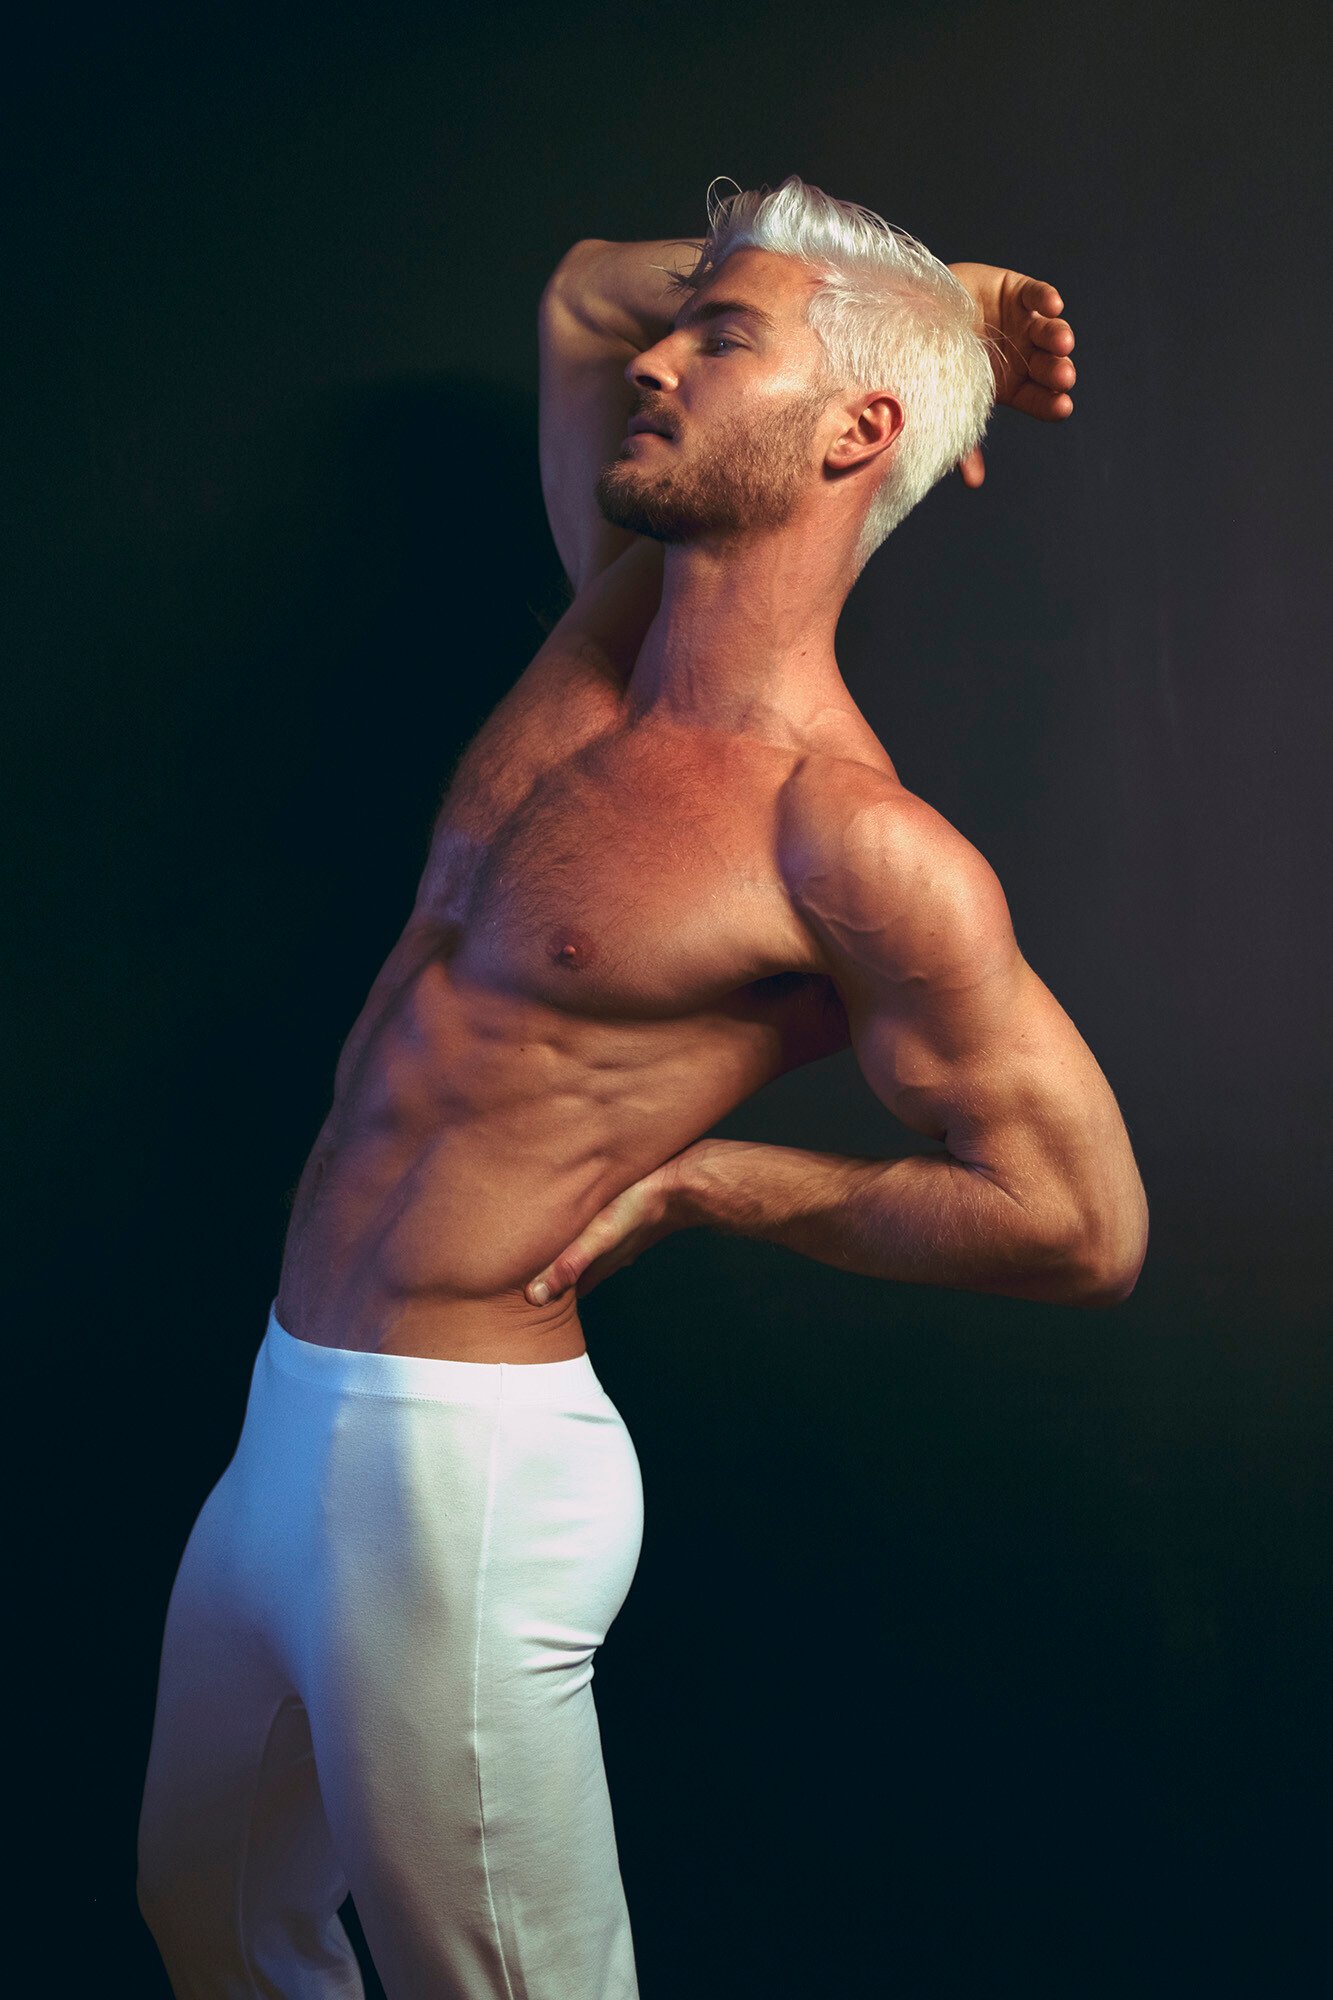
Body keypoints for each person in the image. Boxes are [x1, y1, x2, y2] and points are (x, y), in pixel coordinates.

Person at [137, 174, 1148, 1998]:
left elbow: (1081, 1224)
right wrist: (926, 290)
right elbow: (580, 300)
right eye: (690, 322)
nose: (659, 359)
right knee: (211, 1922)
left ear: (855, 432)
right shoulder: (597, 644)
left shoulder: (845, 837)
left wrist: (713, 1183)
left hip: (457, 1472)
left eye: (725, 338)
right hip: (287, 1412)